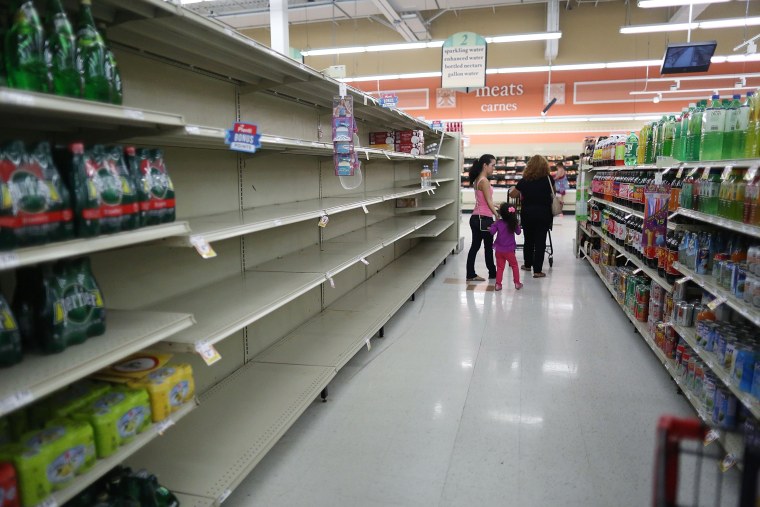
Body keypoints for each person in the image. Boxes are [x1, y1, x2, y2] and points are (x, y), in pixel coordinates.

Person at [509, 155, 553, 278]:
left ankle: (528, 265)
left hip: (527, 214)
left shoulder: (525, 180)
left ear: (529, 166)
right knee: (540, 241)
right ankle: (538, 270)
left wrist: (514, 188)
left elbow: (513, 194)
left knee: (528, 240)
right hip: (544, 214)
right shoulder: (548, 179)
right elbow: (553, 193)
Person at [466, 154, 498, 282]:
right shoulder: (484, 181)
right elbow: (488, 202)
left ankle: (470, 273)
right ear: (485, 165)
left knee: (475, 246)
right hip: (484, 219)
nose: (494, 168)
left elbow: (485, 200)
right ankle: (493, 273)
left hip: (476, 217)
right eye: (493, 165)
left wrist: (496, 205)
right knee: (488, 247)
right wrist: (497, 215)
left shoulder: (477, 180)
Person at [489, 203, 523, 291]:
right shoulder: (513, 224)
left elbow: (492, 232)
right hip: (509, 250)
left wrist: (493, 225)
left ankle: (498, 284)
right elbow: (519, 232)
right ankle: (517, 283)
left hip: (499, 250)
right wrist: (517, 224)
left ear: (501, 213)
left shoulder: (498, 223)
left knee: (500, 267)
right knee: (514, 265)